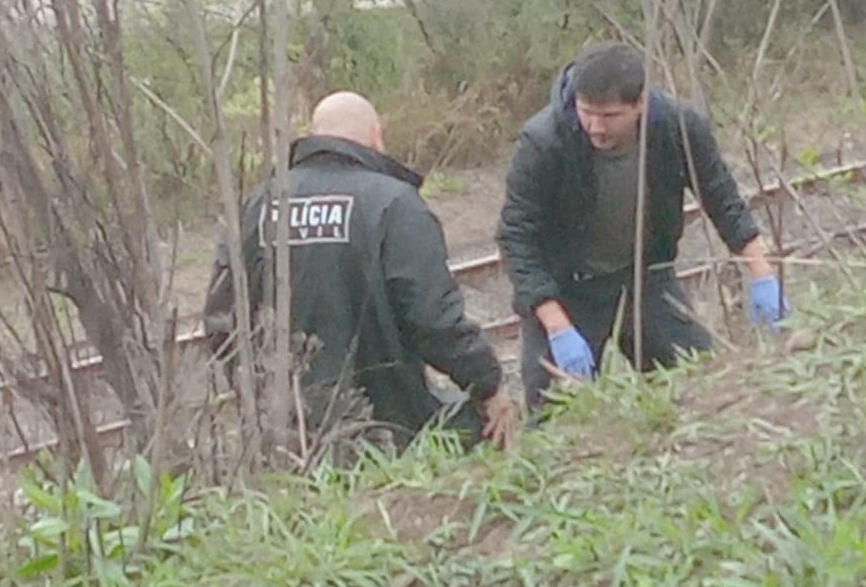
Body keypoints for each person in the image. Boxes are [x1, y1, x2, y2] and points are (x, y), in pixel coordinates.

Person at [203, 91, 517, 451]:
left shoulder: (258, 205)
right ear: (375, 136)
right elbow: (433, 319)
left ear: (313, 135)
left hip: (285, 431)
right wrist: (486, 384)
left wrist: (260, 400)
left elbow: (220, 321)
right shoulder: (394, 204)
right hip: (387, 426)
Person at [496, 41, 790, 411]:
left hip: (644, 277)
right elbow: (516, 236)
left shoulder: (677, 127)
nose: (596, 128)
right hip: (567, 292)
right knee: (557, 414)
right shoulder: (544, 142)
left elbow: (721, 198)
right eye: (587, 113)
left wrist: (762, 274)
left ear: (640, 104)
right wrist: (557, 326)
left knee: (704, 384)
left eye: (610, 116)